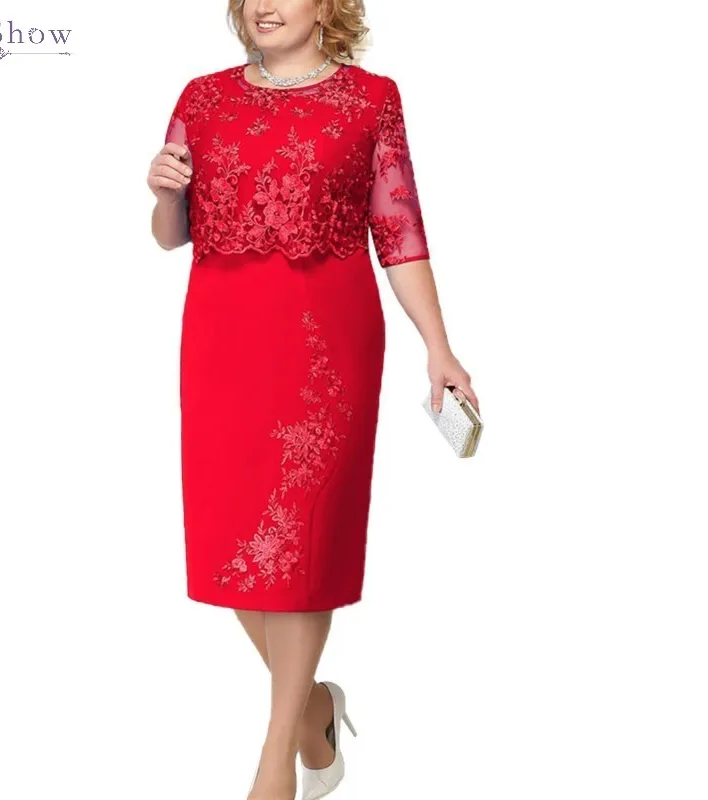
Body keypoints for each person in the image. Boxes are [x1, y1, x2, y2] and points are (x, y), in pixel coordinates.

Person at [147, 2, 480, 798]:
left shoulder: (372, 99)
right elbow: (171, 233)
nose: (265, 5)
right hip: (223, 340)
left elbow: (399, 232)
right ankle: (313, 711)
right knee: (235, 545)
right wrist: (161, 192)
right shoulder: (201, 96)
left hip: (326, 346)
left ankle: (275, 763)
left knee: (299, 544)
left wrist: (438, 345)